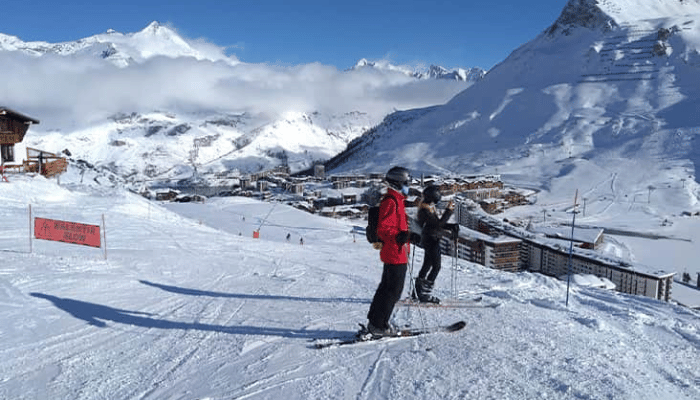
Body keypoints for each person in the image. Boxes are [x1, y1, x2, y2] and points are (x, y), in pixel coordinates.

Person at [366, 166, 412, 336]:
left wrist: (408, 237)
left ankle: (375, 321)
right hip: (394, 252)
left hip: (398, 250)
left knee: (387, 288)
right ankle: (379, 325)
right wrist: (399, 237)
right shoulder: (390, 201)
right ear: (398, 182)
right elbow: (384, 229)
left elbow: (397, 227)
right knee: (392, 291)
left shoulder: (397, 200)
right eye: (406, 182)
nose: (409, 185)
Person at [414, 185, 455, 304]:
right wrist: (449, 211)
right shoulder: (425, 210)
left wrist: (451, 227)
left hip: (429, 239)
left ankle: (417, 292)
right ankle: (425, 295)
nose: (439, 196)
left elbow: (436, 224)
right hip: (431, 240)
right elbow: (438, 224)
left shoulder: (426, 208)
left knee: (427, 266)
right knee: (436, 267)